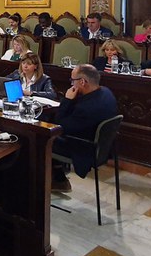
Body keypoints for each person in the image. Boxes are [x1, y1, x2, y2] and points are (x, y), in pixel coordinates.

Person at [51, 64, 119, 192]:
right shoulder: (106, 92)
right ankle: (58, 178)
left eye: (72, 80)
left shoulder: (87, 108)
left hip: (83, 148)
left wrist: (67, 100)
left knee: (42, 139)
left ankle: (56, 181)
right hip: (103, 147)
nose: (71, 84)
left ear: (82, 82)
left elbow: (60, 125)